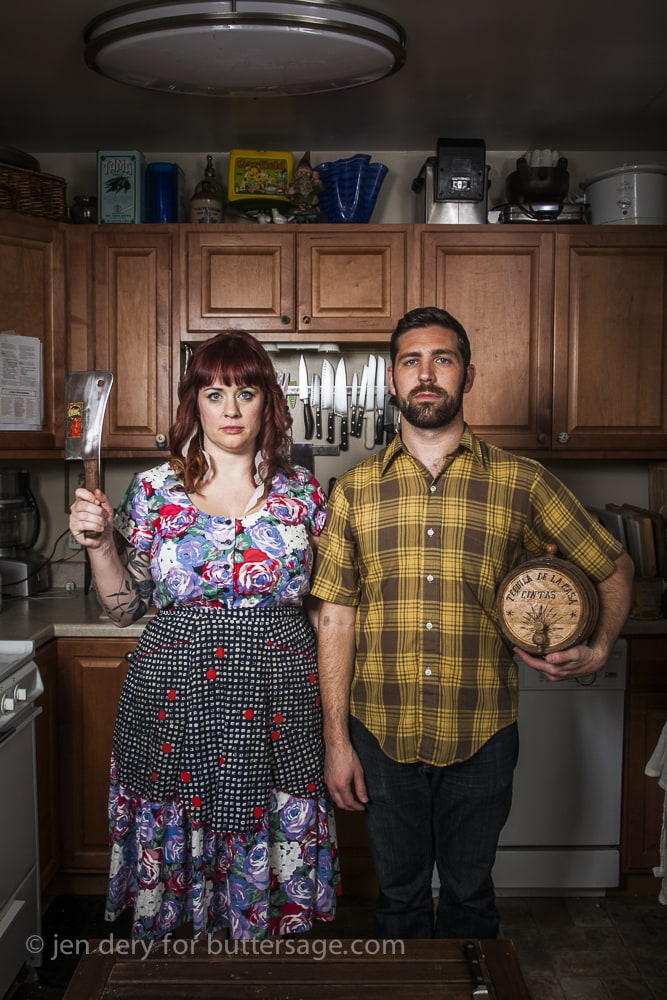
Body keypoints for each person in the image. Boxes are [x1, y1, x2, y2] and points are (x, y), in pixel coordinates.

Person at [310, 306, 633, 941]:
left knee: (470, 900)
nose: (426, 375)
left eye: (443, 359)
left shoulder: (524, 482)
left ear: (469, 374)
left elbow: (613, 565)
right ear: (392, 380)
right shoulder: (351, 492)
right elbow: (335, 620)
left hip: (483, 732)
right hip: (381, 732)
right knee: (397, 902)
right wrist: (337, 742)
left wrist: (597, 648)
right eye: (411, 361)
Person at [69, 331, 340, 942]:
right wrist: (98, 545)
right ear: (195, 403)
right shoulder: (154, 491)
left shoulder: (303, 494)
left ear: (268, 402)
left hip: (279, 701)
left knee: (270, 819)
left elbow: (330, 610)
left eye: (246, 393)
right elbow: (122, 608)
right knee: (180, 833)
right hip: (174, 698)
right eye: (214, 394)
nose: (231, 411)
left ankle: (258, 969)